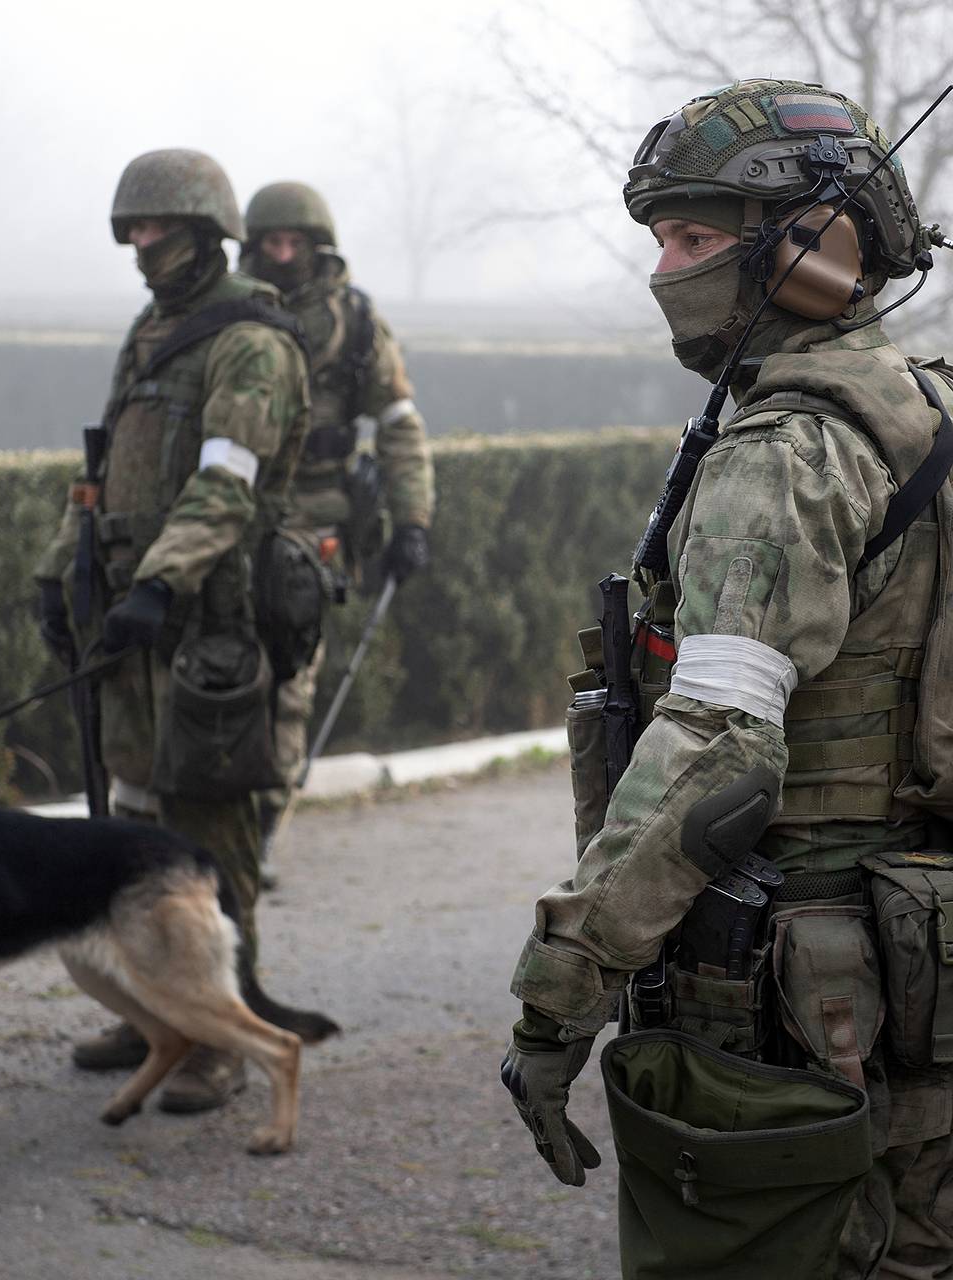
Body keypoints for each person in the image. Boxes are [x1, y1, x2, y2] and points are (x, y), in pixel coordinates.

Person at [501, 79, 953, 1277]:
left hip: (797, 991)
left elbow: (717, 755)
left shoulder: (783, 454)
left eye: (694, 235)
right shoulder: (925, 410)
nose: (666, 266)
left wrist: (562, 987)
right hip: (921, 960)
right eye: (659, 237)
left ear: (809, 249)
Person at [34, 149, 310, 1113]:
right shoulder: (151, 334)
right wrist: (57, 569)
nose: (140, 245)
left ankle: (217, 1047)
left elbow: (228, 482)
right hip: (131, 623)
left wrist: (159, 583)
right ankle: (156, 1012)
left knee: (208, 834)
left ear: (203, 235)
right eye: (133, 231)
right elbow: (101, 471)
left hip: (211, 630)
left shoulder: (250, 343)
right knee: (135, 825)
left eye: (155, 229)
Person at [239, 182, 435, 861]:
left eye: (296, 243)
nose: (284, 254)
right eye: (271, 243)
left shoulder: (355, 324)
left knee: (289, 681)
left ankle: (263, 826)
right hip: (230, 513)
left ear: (319, 247)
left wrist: (412, 519)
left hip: (318, 522)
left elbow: (398, 427)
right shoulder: (229, 314)